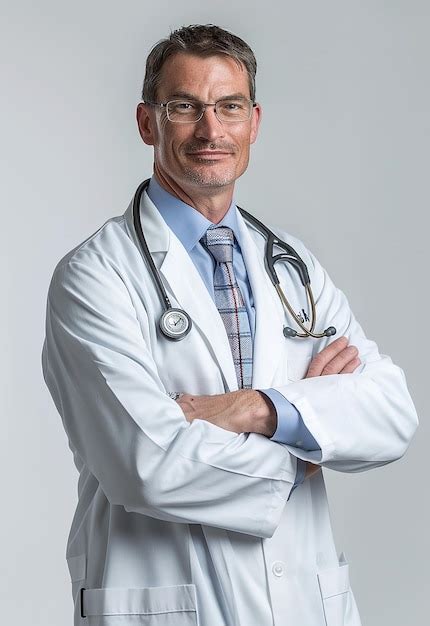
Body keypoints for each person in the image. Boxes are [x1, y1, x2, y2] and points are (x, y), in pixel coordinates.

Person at [42, 24, 418, 626]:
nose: (211, 130)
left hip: (304, 601)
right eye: (185, 107)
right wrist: (311, 436)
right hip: (167, 601)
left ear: (254, 122)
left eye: (230, 107)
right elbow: (149, 465)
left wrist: (257, 409)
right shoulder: (96, 276)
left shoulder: (293, 267)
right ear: (147, 123)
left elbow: (393, 414)